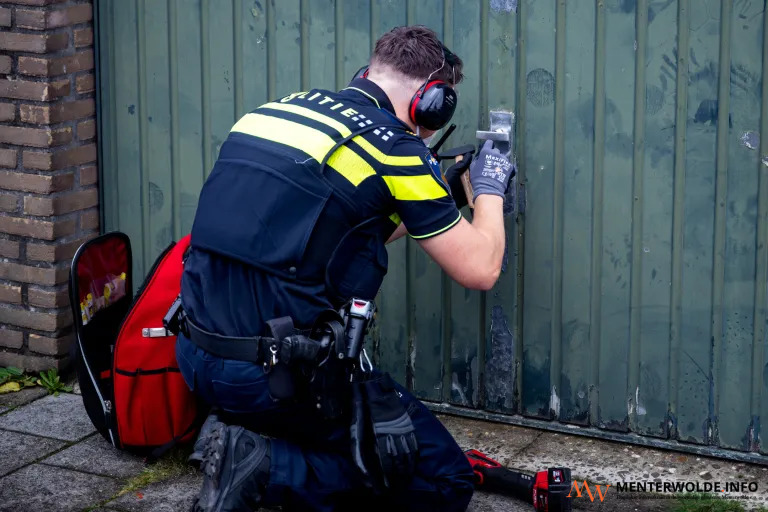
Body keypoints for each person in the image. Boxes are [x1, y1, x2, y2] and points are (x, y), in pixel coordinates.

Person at [175, 24, 514, 512]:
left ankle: (236, 434)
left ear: (367, 74)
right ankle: (265, 466)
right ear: (433, 101)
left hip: (196, 359)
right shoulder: (395, 148)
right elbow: (481, 268)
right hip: (276, 380)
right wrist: (489, 188)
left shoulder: (276, 113)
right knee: (446, 479)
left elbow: (340, 235)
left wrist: (437, 199)